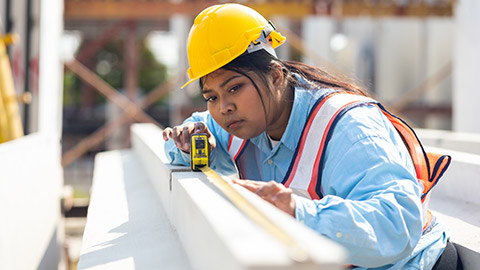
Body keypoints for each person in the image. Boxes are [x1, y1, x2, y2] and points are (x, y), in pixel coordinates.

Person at [163, 3, 461, 269]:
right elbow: (194, 132)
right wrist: (187, 145)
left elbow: (398, 225)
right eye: (211, 97)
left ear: (276, 76)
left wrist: (298, 213)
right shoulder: (236, 121)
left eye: (234, 87)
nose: (224, 107)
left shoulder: (348, 127)